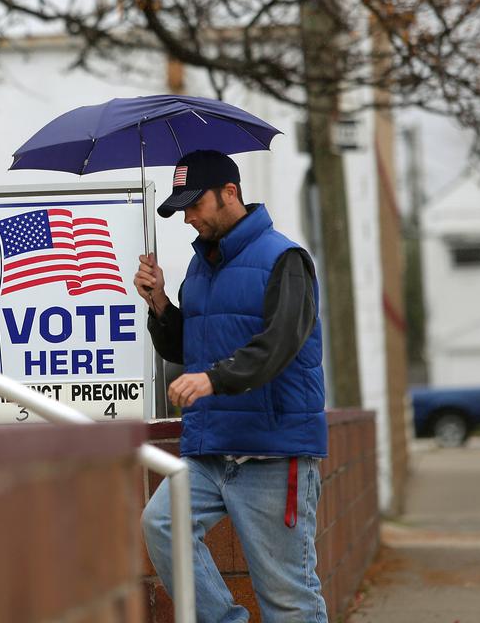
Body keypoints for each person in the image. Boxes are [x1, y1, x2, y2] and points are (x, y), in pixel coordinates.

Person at [136, 149, 327, 623]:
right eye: (182, 209)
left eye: (195, 204)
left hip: (271, 451)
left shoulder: (285, 258)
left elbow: (279, 345)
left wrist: (213, 379)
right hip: (211, 448)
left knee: (288, 600)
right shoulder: (200, 270)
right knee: (162, 525)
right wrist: (160, 302)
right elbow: (188, 348)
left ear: (230, 193)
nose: (188, 218)